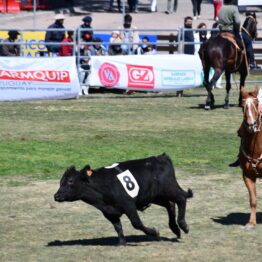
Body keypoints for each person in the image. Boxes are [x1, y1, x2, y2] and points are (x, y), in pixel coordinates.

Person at [177, 16, 194, 97]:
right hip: (184, 52)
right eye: (188, 22)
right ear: (185, 22)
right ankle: (179, 90)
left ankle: (186, 87)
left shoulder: (191, 30)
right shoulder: (182, 30)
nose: (190, 23)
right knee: (182, 72)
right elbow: (179, 40)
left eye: (191, 22)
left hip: (191, 53)